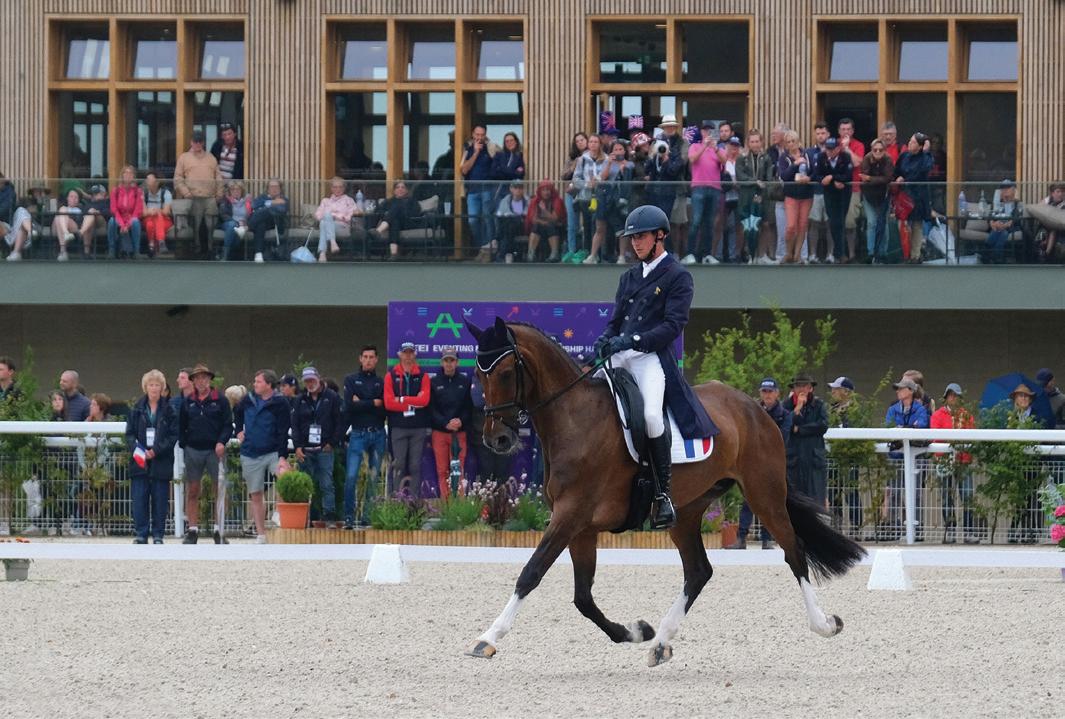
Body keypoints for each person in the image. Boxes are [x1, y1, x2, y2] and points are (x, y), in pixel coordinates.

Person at [594, 205, 717, 529]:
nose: (635, 243)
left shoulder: (678, 276)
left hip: (651, 358)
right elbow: (615, 321)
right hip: (621, 355)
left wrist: (633, 340)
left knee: (650, 416)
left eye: (642, 237)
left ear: (660, 236)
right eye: (632, 238)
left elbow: (672, 326)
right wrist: (606, 338)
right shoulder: (629, 277)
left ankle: (663, 495)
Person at [726, 378, 791, 549]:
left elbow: (782, 438)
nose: (767, 395)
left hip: (770, 463)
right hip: (752, 462)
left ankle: (766, 538)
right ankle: (741, 538)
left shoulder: (784, 415)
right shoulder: (753, 412)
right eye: (764, 391)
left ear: (777, 393)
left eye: (770, 391)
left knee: (769, 502)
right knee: (748, 500)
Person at [234, 369, 291, 544]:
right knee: (256, 493)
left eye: (258, 381)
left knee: (285, 478)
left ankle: (279, 513)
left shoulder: (280, 402)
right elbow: (237, 411)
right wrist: (239, 430)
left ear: (269, 384)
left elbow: (283, 430)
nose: (255, 384)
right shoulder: (248, 399)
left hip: (273, 451)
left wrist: (282, 456)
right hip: (250, 452)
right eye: (255, 381)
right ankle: (261, 534)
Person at [178, 364, 232, 545]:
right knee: (192, 490)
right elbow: (181, 425)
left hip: (215, 450)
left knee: (220, 490)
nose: (201, 381)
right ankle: (192, 530)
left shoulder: (221, 400)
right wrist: (185, 444)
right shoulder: (188, 402)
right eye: (197, 378)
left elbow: (227, 424)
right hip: (193, 450)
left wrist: (221, 442)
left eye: (204, 377)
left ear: (209, 379)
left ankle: (219, 530)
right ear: (193, 381)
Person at [125, 369, 178, 544]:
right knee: (139, 498)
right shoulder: (136, 409)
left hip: (161, 459)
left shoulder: (169, 410)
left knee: (160, 498)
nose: (154, 388)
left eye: (157, 385)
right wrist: (139, 451)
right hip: (139, 460)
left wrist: (156, 450)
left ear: (162, 388)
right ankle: (141, 533)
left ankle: (158, 534)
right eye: (151, 385)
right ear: (145, 387)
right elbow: (129, 434)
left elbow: (173, 435)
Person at [292, 367, 343, 527]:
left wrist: (332, 443)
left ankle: (329, 516)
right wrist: (297, 446)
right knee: (305, 485)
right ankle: (306, 518)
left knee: (326, 483)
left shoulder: (332, 397)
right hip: (305, 449)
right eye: (306, 381)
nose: (310, 384)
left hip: (324, 448)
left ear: (319, 379)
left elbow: (340, 422)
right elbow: (295, 425)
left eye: (312, 380)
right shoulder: (300, 400)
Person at [343, 345, 387, 529]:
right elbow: (349, 406)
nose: (368, 360)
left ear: (376, 360)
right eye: (365, 357)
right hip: (358, 434)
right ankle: (348, 517)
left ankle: (367, 516)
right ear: (360, 359)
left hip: (378, 433)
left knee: (373, 478)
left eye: (371, 357)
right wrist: (372, 403)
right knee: (351, 476)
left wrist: (361, 402)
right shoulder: (351, 380)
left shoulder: (381, 382)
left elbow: (384, 408)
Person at [883, 377, 930, 540]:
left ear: (910, 391)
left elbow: (921, 427)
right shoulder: (893, 409)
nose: (898, 391)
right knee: (894, 493)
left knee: (915, 494)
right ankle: (893, 528)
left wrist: (902, 429)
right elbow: (889, 428)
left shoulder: (920, 409)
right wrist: (909, 428)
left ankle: (917, 528)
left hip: (915, 458)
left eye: (901, 388)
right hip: (896, 457)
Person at [930, 383, 977, 544]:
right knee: (946, 496)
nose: (953, 398)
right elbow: (936, 437)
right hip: (944, 461)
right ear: (946, 397)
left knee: (968, 496)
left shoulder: (966, 415)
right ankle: (950, 530)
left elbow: (971, 436)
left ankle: (969, 531)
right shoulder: (938, 415)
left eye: (956, 395)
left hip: (963, 461)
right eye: (951, 395)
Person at [383, 342, 432, 496]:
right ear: (400, 355)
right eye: (405, 353)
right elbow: (389, 403)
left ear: (415, 355)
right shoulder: (391, 376)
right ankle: (397, 501)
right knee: (399, 465)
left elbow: (424, 401)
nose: (408, 356)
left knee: (415, 466)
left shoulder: (423, 376)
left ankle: (414, 501)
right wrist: (413, 401)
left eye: (411, 353)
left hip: (418, 427)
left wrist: (402, 399)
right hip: (398, 427)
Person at [429, 347, 472, 500]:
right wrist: (444, 423)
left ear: (457, 362)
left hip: (459, 433)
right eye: (446, 360)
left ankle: (458, 506)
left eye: (452, 360)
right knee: (442, 471)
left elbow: (469, 408)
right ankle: (446, 506)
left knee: (458, 471)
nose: (449, 363)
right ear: (442, 362)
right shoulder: (434, 382)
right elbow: (431, 409)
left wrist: (460, 420)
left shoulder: (465, 381)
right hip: (440, 432)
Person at [173, 130, 223, 257]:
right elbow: (178, 178)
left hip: (210, 198)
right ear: (191, 142)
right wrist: (186, 192)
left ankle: (210, 250)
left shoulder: (211, 158)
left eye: (200, 141)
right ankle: (197, 250)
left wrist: (219, 193)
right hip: (193, 197)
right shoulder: (184, 157)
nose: (197, 144)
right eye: (195, 141)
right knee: (196, 226)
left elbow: (218, 177)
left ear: (203, 143)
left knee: (211, 225)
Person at [783, 374, 829, 506]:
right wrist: (797, 410)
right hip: (794, 460)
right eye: (798, 386)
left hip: (813, 460)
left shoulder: (819, 405)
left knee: (815, 501)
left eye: (805, 386)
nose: (802, 389)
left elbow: (822, 426)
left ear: (810, 388)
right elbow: (786, 426)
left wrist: (800, 429)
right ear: (793, 389)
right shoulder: (786, 405)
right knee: (794, 501)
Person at [685, 119, 726, 265]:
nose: (708, 132)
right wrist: (704, 146)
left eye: (710, 130)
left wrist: (714, 148)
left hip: (714, 188)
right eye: (705, 130)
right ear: (701, 132)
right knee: (696, 221)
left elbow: (724, 161)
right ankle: (690, 253)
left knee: (709, 223)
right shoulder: (695, 146)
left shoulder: (719, 148)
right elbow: (692, 159)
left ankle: (706, 254)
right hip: (699, 187)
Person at [827, 376, 863, 539]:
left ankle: (856, 527)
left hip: (849, 457)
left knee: (850, 492)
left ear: (846, 392)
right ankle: (836, 525)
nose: (833, 392)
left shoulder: (856, 410)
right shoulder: (831, 409)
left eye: (836, 389)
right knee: (833, 491)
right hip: (833, 456)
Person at [735, 129, 776, 264]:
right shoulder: (741, 158)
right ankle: (747, 254)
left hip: (761, 196)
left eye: (757, 141)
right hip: (746, 196)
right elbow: (740, 177)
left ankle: (761, 255)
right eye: (752, 142)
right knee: (747, 225)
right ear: (748, 143)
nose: (755, 144)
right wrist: (754, 181)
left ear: (761, 142)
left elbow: (769, 177)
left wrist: (765, 186)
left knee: (764, 224)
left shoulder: (767, 158)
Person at [892, 133, 934, 263]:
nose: (910, 144)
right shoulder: (904, 156)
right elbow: (896, 171)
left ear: (920, 146)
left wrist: (926, 151)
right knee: (902, 225)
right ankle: (905, 253)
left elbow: (923, 169)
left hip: (918, 197)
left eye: (914, 142)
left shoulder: (926, 157)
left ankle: (915, 255)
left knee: (917, 225)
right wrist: (898, 178)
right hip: (904, 195)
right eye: (910, 141)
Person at [777, 130, 817, 263]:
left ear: (798, 141)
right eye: (788, 142)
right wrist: (795, 164)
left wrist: (809, 178)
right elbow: (784, 176)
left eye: (793, 141)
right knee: (791, 226)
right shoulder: (783, 157)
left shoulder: (808, 155)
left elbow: (815, 172)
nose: (791, 144)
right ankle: (788, 253)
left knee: (802, 225)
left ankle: (797, 255)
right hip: (791, 195)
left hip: (806, 194)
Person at [461, 124, 496, 262]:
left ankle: (488, 250)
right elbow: (464, 170)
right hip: (472, 191)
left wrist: (488, 147)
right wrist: (475, 153)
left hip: (487, 189)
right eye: (477, 134)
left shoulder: (490, 148)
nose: (479, 137)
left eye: (482, 135)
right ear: (473, 134)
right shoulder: (468, 150)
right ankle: (483, 247)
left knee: (487, 219)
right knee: (473, 220)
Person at [815, 137, 853, 264]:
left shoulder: (845, 157)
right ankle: (839, 252)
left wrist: (832, 177)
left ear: (838, 149)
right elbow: (817, 175)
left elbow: (848, 175)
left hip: (843, 193)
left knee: (840, 222)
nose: (829, 151)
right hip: (829, 193)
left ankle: (840, 253)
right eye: (827, 149)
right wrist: (825, 180)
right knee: (833, 222)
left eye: (832, 149)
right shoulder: (821, 157)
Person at [367, 180, 424, 260]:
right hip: (393, 224)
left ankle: (378, 231)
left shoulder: (412, 200)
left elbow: (416, 213)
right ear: (394, 190)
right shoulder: (388, 201)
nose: (400, 189)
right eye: (397, 187)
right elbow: (378, 212)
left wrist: (399, 211)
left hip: (408, 223)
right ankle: (394, 254)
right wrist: (387, 214)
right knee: (394, 221)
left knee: (397, 207)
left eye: (403, 187)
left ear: (407, 190)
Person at [859, 139, 894, 263]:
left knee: (883, 223)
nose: (878, 152)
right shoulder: (866, 159)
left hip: (884, 196)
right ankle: (871, 252)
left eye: (880, 150)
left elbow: (888, 178)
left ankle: (883, 252)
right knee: (872, 223)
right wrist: (876, 179)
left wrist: (870, 178)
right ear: (871, 150)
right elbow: (864, 177)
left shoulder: (888, 160)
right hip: (869, 196)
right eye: (875, 150)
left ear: (884, 150)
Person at [837, 117, 866, 262]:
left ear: (853, 131)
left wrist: (847, 148)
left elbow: (856, 163)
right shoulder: (833, 144)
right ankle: (838, 254)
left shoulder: (859, 145)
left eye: (848, 129)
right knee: (836, 222)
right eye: (843, 129)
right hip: (835, 189)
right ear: (839, 131)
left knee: (850, 223)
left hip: (853, 188)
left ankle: (852, 254)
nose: (846, 132)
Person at [313, 177, 358, 263]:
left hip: (343, 226)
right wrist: (329, 216)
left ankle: (322, 252)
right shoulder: (325, 201)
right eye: (335, 187)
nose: (338, 189)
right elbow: (318, 215)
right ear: (331, 188)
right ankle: (332, 242)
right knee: (324, 220)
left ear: (344, 188)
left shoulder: (348, 200)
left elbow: (350, 215)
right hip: (328, 225)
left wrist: (335, 216)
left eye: (340, 187)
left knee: (324, 221)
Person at [561, 132, 589, 262]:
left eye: (582, 140)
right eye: (577, 141)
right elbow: (563, 176)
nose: (580, 143)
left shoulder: (592, 156)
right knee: (572, 223)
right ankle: (572, 250)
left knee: (588, 222)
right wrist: (574, 165)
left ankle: (587, 250)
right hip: (572, 192)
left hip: (587, 192)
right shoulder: (572, 158)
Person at [247, 179, 289, 263]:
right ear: (268, 189)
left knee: (267, 210)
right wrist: (273, 202)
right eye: (271, 186)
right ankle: (258, 254)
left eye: (276, 186)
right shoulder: (262, 197)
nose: (274, 189)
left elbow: (281, 210)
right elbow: (254, 205)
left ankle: (246, 227)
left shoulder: (284, 199)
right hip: (263, 223)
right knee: (261, 224)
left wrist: (266, 204)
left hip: (276, 223)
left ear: (280, 188)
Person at [107, 165, 143, 259]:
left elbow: (138, 210)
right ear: (122, 175)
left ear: (134, 176)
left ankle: (136, 251)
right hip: (119, 217)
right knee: (111, 221)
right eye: (125, 173)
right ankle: (112, 250)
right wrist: (122, 225)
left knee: (135, 222)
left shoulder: (138, 191)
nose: (128, 175)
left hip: (132, 217)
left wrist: (128, 225)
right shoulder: (115, 190)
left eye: (130, 173)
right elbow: (114, 209)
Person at [985, 179, 1024, 264]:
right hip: (997, 227)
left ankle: (993, 257)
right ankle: (993, 256)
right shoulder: (997, 203)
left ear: (1013, 190)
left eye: (1007, 188)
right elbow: (990, 216)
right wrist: (992, 223)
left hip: (1011, 228)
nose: (1004, 190)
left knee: (1003, 233)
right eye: (1002, 188)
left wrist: (1005, 225)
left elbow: (1016, 218)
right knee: (998, 231)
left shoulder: (1017, 204)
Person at [526, 179, 564, 263]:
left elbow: (555, 218)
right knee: (536, 227)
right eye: (543, 190)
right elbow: (533, 219)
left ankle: (554, 253)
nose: (546, 192)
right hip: (541, 226)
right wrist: (543, 222)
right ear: (540, 191)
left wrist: (544, 210)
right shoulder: (535, 201)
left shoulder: (557, 200)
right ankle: (531, 253)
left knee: (551, 226)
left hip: (556, 228)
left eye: (548, 190)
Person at [494, 180, 529, 263]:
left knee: (510, 223)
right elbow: (499, 215)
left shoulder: (528, 200)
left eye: (520, 188)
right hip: (508, 226)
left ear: (523, 189)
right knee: (508, 225)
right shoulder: (505, 200)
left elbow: (527, 215)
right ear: (511, 189)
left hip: (522, 226)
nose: (518, 190)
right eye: (515, 187)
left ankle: (503, 252)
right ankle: (510, 253)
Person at [218, 181, 252, 261]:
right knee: (232, 225)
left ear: (242, 191)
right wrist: (237, 223)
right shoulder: (226, 200)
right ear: (229, 191)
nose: (235, 191)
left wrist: (245, 223)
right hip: (228, 223)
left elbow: (252, 215)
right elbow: (223, 215)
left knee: (239, 230)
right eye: (233, 189)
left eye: (238, 189)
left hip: (243, 224)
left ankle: (232, 253)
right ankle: (225, 255)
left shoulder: (247, 202)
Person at [141, 172, 173, 256]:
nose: (146, 182)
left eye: (149, 179)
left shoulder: (166, 193)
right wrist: (150, 212)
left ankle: (151, 245)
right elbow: (143, 213)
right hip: (148, 218)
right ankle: (161, 242)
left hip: (165, 220)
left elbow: (166, 212)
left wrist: (156, 211)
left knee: (155, 219)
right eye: (146, 179)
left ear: (157, 182)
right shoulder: (143, 193)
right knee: (150, 222)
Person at [50, 189, 83, 261]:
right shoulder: (63, 208)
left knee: (58, 218)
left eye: (76, 197)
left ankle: (63, 251)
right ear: (67, 198)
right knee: (61, 212)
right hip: (56, 229)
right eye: (71, 196)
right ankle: (66, 233)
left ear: (79, 200)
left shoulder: (81, 209)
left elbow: (80, 223)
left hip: (73, 227)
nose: (73, 199)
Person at [79, 184, 110, 257]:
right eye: (92, 194)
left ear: (103, 194)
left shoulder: (106, 202)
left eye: (96, 193)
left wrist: (97, 212)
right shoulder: (88, 203)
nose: (93, 196)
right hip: (89, 223)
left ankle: (80, 232)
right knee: (90, 216)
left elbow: (108, 212)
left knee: (91, 213)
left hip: (101, 223)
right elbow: (83, 214)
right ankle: (87, 253)